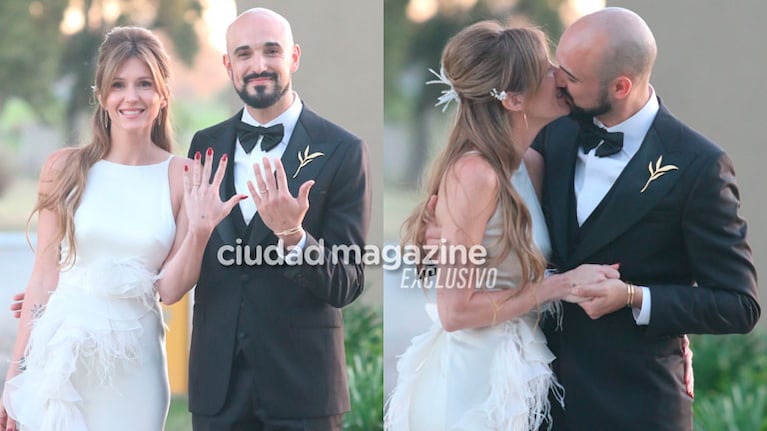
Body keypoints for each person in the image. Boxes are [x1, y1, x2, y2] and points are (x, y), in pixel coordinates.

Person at [0, 27, 243, 431]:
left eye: (144, 84)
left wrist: (200, 233)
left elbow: (169, 291)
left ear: (163, 93)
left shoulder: (183, 175)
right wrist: (14, 375)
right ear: (101, 95)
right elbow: (43, 277)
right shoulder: (64, 169)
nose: (131, 97)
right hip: (63, 361)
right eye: (118, 85)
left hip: (137, 373)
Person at [531, 7, 759, 430]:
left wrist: (636, 297)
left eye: (572, 77)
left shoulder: (698, 165)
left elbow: (740, 305)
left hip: (636, 406)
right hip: (541, 401)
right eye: (558, 67)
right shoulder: (553, 133)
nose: (557, 82)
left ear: (620, 86)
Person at [384, 21, 619, 431]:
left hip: (518, 374)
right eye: (545, 70)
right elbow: (454, 310)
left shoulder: (531, 165)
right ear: (512, 99)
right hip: (468, 387)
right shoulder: (474, 174)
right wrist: (558, 286)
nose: (559, 74)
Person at [185, 8, 370, 431]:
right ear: (228, 65)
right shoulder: (204, 145)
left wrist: (294, 236)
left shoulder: (343, 150)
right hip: (218, 388)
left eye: (272, 51)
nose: (259, 65)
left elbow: (348, 281)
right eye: (244, 54)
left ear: (294, 57)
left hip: (304, 388)